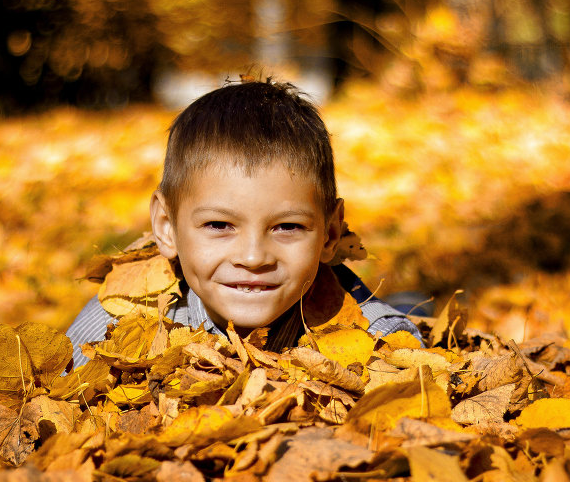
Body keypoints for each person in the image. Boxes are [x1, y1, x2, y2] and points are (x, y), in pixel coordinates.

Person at [65, 78, 424, 367]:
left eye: (287, 227)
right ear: (166, 226)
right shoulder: (116, 323)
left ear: (330, 232)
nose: (253, 258)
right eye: (219, 225)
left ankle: (414, 303)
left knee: (414, 307)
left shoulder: (379, 342)